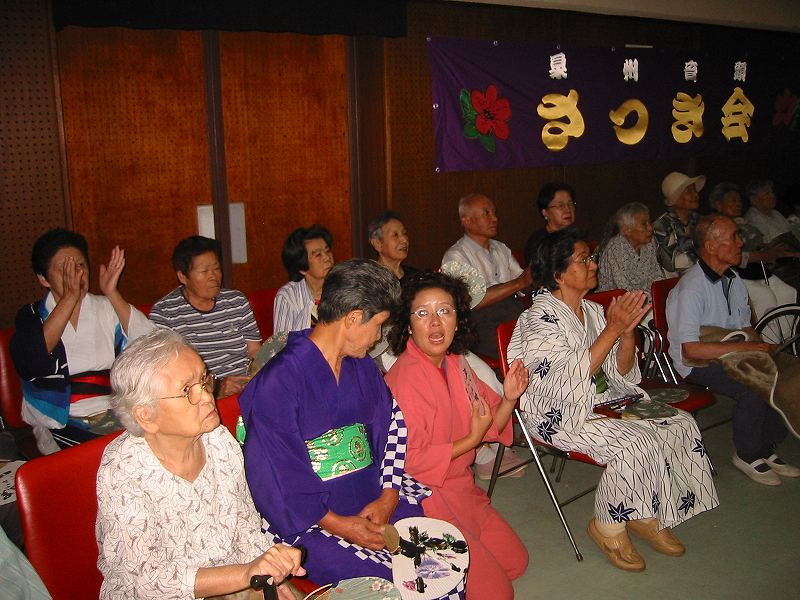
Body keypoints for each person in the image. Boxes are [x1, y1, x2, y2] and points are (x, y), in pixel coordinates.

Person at [508, 227, 718, 572]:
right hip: (558, 413)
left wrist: (627, 332)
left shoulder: (591, 310)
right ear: (558, 274)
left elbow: (623, 373)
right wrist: (612, 329)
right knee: (635, 442)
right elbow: (562, 382)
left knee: (678, 424)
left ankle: (644, 512)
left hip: (603, 399)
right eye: (584, 259)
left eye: (591, 257)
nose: (594, 264)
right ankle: (608, 526)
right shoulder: (537, 319)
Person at [239, 260, 431, 588]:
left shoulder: (362, 366)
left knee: (432, 557)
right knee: (395, 582)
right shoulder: (278, 382)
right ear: (353, 318)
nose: (378, 338)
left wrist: (388, 495)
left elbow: (391, 428)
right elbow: (275, 474)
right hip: (312, 520)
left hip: (372, 499)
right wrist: (340, 525)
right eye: (378, 325)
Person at [96, 329, 304, 599]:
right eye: (187, 391)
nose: (207, 396)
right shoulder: (122, 470)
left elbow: (244, 525)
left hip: (227, 577)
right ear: (146, 416)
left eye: (204, 380)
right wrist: (246, 574)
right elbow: (145, 581)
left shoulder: (218, 440)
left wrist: (268, 575)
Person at [385, 271, 529, 600]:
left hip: (462, 487)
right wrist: (471, 440)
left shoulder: (456, 363)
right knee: (497, 594)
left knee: (516, 563)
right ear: (408, 324)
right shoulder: (403, 380)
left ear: (457, 318)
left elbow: (488, 422)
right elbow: (410, 461)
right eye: (423, 313)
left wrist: (509, 398)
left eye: (444, 311)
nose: (435, 323)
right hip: (425, 499)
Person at [666, 215, 799, 485]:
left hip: (732, 352)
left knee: (790, 373)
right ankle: (747, 454)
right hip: (697, 363)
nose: (740, 243)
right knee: (754, 384)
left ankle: (765, 447)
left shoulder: (733, 279)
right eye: (734, 237)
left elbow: (743, 326)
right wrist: (747, 346)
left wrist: (759, 347)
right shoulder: (691, 289)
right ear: (711, 246)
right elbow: (690, 351)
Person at [10, 228, 153, 455]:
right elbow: (32, 361)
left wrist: (112, 293)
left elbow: (151, 345)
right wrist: (69, 297)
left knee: (147, 447)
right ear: (43, 279)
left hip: (113, 410)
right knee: (102, 456)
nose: (76, 274)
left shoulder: (105, 307)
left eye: (80, 265)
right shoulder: (32, 316)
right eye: (64, 269)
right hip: (58, 418)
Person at [149, 236, 261, 398]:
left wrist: (257, 378)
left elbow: (254, 350)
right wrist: (215, 388)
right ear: (182, 277)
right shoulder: (165, 313)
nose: (214, 276)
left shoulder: (237, 301)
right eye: (204, 271)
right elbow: (168, 371)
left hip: (247, 386)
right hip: (201, 395)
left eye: (216, 268)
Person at [442, 193, 531, 359]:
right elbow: (472, 301)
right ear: (466, 221)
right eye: (486, 214)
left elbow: (524, 282)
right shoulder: (456, 256)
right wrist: (519, 283)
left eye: (494, 213)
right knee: (521, 352)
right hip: (479, 325)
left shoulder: (501, 248)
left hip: (513, 314)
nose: (494, 219)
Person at [709, 182, 796, 319]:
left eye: (739, 200)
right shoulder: (715, 228)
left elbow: (759, 247)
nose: (738, 204)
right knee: (765, 297)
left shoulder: (742, 224)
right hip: (735, 275)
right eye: (733, 201)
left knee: (788, 292)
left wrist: (769, 250)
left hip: (757, 271)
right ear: (719, 205)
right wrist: (765, 254)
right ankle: (765, 332)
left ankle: (785, 332)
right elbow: (736, 258)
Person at [598, 202, 666, 299]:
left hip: (646, 299)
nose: (650, 228)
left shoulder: (650, 242)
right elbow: (623, 289)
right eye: (644, 224)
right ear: (627, 230)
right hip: (617, 302)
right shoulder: (615, 248)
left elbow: (657, 276)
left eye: (649, 222)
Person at [274, 225, 335, 333]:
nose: (327, 257)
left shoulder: (344, 287)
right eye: (318, 255)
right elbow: (281, 341)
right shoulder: (288, 296)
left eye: (328, 251)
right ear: (302, 268)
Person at [744, 179, 800, 291]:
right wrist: (795, 254)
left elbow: (792, 236)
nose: (772, 196)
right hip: (776, 266)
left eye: (772, 192)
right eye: (767, 193)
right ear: (754, 200)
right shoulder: (752, 219)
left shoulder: (776, 214)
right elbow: (768, 249)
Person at [653, 172, 705, 274]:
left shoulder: (700, 220)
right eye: (688, 191)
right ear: (675, 199)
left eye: (694, 190)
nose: (695, 195)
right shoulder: (662, 225)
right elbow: (672, 262)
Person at [523, 182, 577, 269]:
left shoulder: (577, 236)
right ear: (545, 213)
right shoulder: (538, 243)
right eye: (560, 205)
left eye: (570, 204)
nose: (567, 209)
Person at [367, 211, 419, 284]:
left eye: (404, 233)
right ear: (377, 244)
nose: (404, 239)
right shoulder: (369, 282)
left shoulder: (415, 278)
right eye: (395, 235)